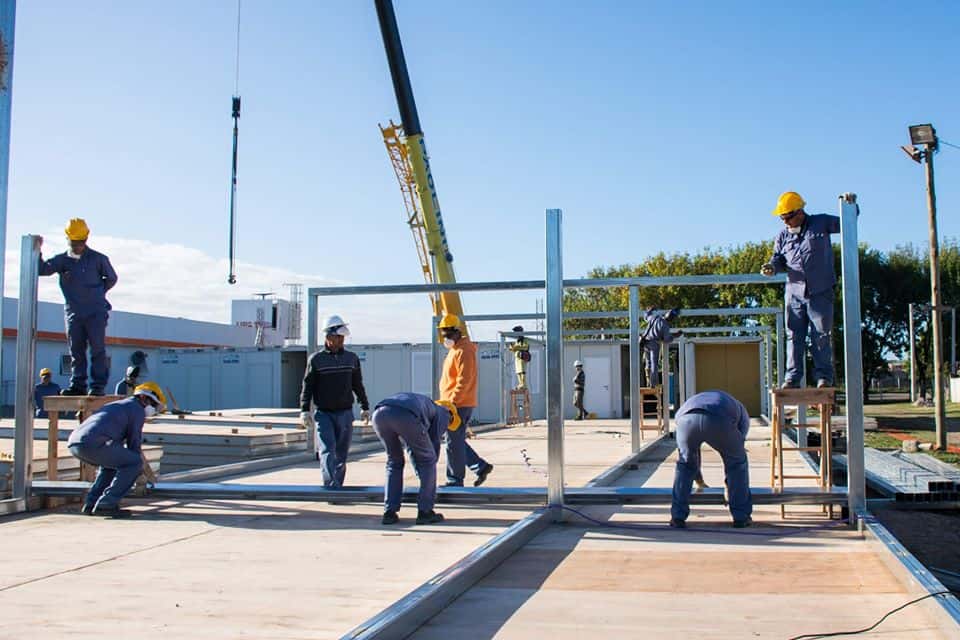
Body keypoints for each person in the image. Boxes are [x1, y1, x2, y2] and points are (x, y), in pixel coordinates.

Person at [761, 191, 841, 388]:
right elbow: (778, 259)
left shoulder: (821, 223)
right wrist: (772, 267)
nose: (785, 222)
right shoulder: (782, 236)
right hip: (794, 292)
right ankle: (792, 378)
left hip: (820, 291)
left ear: (800, 212)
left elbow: (849, 221)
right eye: (782, 217)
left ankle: (824, 377)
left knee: (821, 335)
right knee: (794, 335)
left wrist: (849, 205)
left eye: (788, 216)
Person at [38, 218, 118, 396]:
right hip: (74, 313)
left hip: (96, 313)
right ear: (68, 239)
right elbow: (41, 269)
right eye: (75, 242)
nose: (78, 246)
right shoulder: (62, 261)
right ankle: (78, 385)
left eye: (81, 242)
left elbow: (112, 278)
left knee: (98, 349)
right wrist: (37, 249)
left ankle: (97, 386)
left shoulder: (98, 259)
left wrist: (97, 293)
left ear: (86, 239)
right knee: (76, 350)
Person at [67, 382, 166, 517]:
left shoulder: (120, 406)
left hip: (76, 443)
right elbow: (134, 444)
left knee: (110, 467)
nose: (153, 409)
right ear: (143, 398)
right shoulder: (136, 409)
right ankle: (107, 504)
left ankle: (91, 503)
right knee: (134, 462)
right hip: (94, 443)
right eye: (153, 404)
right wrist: (140, 474)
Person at [299, 315, 370, 488]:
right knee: (327, 451)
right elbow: (307, 386)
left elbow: (357, 384)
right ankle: (331, 487)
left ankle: (337, 485)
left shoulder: (351, 359)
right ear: (328, 337)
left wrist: (365, 407)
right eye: (337, 337)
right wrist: (304, 410)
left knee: (341, 453)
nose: (340, 341)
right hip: (324, 414)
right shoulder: (316, 360)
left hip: (345, 413)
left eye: (342, 338)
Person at [371, 392, 458, 525]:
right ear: (450, 414)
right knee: (428, 461)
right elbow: (432, 445)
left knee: (394, 462)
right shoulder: (444, 413)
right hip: (404, 415)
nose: (447, 427)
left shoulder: (422, 405)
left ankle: (389, 513)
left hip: (379, 414)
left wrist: (420, 471)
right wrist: (425, 477)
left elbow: (412, 447)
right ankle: (425, 512)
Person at [670, 390, 752, 529]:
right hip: (719, 419)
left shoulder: (695, 400)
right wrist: (729, 485)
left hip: (686, 420)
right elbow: (736, 451)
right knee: (737, 464)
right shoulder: (741, 412)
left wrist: (698, 479)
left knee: (685, 465)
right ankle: (741, 517)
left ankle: (677, 517)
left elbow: (692, 454)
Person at [438, 313, 494, 487]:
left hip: (458, 404)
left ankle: (455, 480)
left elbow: (464, 379)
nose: (445, 337)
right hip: (453, 404)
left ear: (457, 332)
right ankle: (480, 466)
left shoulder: (464, 350)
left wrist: (452, 403)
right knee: (454, 439)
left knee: (452, 442)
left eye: (447, 333)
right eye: (443, 333)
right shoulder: (455, 350)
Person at [642, 308, 679, 386]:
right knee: (654, 364)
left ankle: (648, 382)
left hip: (645, 342)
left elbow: (646, 316)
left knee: (648, 363)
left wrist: (650, 310)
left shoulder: (655, 317)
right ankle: (653, 384)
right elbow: (667, 340)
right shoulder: (665, 325)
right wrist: (675, 335)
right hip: (654, 344)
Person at [507, 325, 531, 390]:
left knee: (522, 371)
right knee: (518, 372)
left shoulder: (524, 340)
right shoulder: (517, 341)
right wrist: (512, 347)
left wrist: (516, 347)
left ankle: (523, 384)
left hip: (522, 358)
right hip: (517, 358)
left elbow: (525, 347)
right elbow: (512, 348)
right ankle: (520, 384)